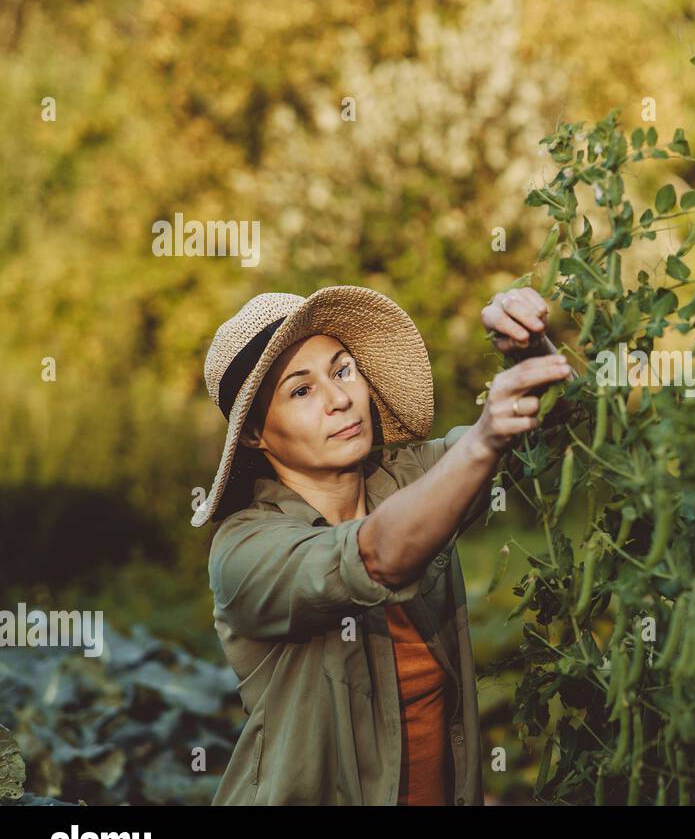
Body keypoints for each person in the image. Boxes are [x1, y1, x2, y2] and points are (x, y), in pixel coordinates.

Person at [191, 284, 571, 804]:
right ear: (255, 433)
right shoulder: (244, 549)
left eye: (342, 370)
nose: (340, 399)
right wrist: (484, 440)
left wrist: (528, 349)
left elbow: (558, 424)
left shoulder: (409, 476)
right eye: (301, 391)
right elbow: (376, 557)